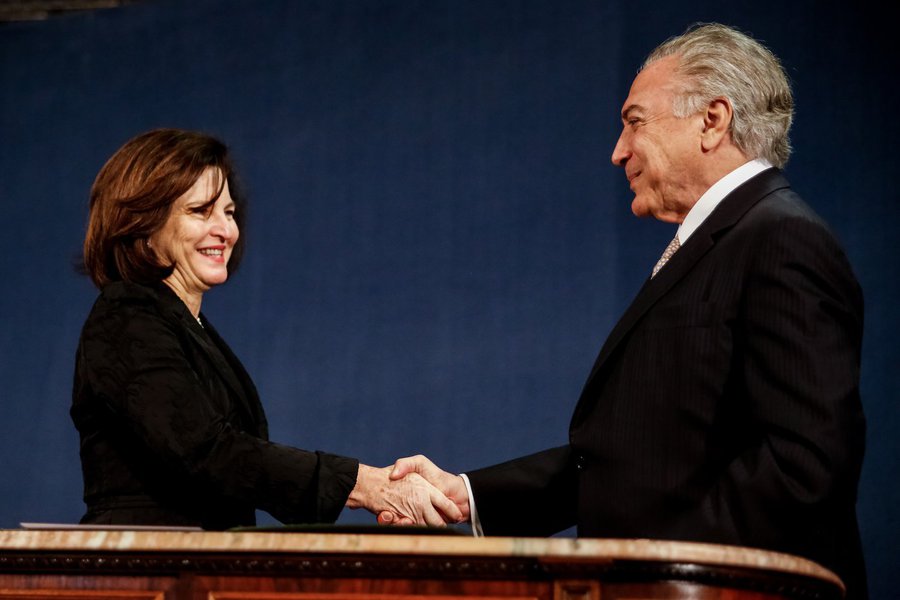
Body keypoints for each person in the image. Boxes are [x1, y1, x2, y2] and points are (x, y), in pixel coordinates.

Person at [382, 23, 867, 599]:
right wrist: (469, 493)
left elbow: (804, 463)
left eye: (634, 121)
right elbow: (629, 457)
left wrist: (655, 573)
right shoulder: (724, 241)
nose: (618, 151)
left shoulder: (782, 239)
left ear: (713, 120)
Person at [71, 128, 461, 530]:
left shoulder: (184, 325)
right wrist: (365, 485)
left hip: (203, 569)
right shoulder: (125, 318)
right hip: (147, 575)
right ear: (144, 226)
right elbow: (207, 451)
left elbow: (237, 468)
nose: (225, 231)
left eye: (228, 212)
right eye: (201, 211)